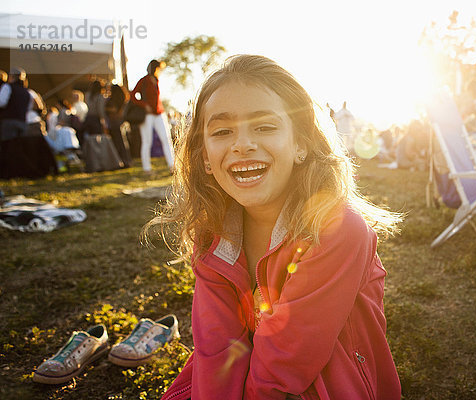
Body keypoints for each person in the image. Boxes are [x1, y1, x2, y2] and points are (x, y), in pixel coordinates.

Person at [152, 55, 403, 400]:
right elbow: (217, 350)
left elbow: (285, 364)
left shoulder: (337, 229)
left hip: (325, 380)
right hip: (245, 371)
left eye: (264, 126)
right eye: (223, 131)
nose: (242, 144)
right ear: (205, 158)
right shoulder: (212, 236)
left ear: (301, 144)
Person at [131, 59, 175, 174]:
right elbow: (133, 95)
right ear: (154, 68)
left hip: (159, 113)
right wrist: (144, 105)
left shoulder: (156, 80)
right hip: (147, 115)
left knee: (166, 139)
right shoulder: (144, 81)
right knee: (147, 141)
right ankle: (147, 168)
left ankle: (173, 166)